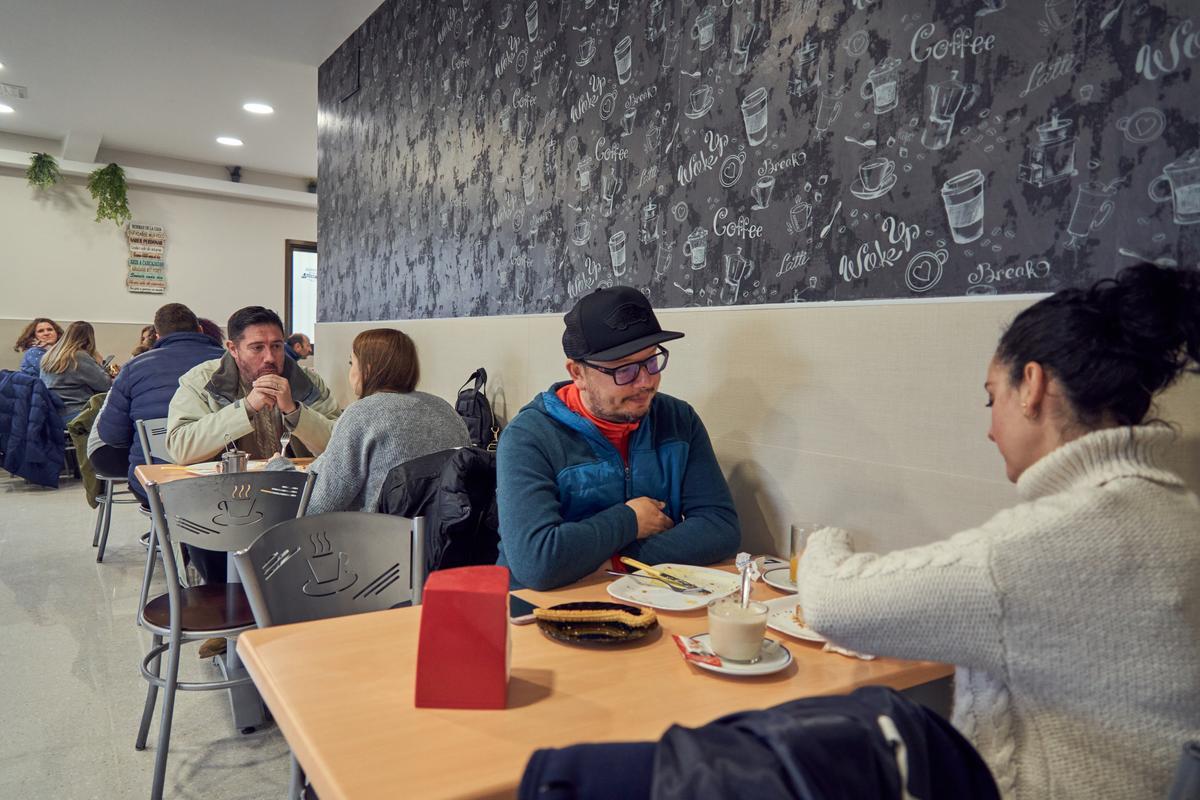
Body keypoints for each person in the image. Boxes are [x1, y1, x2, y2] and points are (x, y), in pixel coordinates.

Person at [797, 263, 1200, 800]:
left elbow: (832, 604)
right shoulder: (1182, 513)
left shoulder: (1044, 544)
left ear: (1031, 385)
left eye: (992, 398)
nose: (990, 429)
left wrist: (826, 537)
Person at [496, 285, 740, 590]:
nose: (646, 382)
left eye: (652, 361)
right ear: (578, 373)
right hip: (538, 612)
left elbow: (721, 527)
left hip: (646, 599)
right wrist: (630, 521)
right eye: (624, 370)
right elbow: (537, 562)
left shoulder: (679, 420)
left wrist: (615, 560)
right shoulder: (529, 437)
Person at [306, 329, 470, 515]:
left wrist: (279, 467)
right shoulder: (445, 409)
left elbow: (319, 505)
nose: (350, 372)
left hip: (378, 538)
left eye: (352, 363)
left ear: (367, 369)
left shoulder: (361, 414)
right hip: (448, 536)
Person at [166, 305, 340, 465]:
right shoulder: (202, 381)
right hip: (226, 490)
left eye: (276, 346)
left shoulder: (307, 381)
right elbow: (181, 448)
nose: (270, 357)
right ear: (233, 349)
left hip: (297, 489)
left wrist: (294, 411)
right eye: (257, 348)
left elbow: (342, 445)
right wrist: (246, 407)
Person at [91, 303, 224, 503]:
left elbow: (112, 435)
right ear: (200, 330)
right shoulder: (228, 362)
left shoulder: (133, 368)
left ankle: (163, 533)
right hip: (224, 482)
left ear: (159, 337)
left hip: (156, 485)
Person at [39, 321, 115, 421]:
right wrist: (99, 362)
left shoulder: (48, 356)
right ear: (89, 339)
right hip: (79, 413)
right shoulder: (77, 356)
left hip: (55, 415)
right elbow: (105, 385)